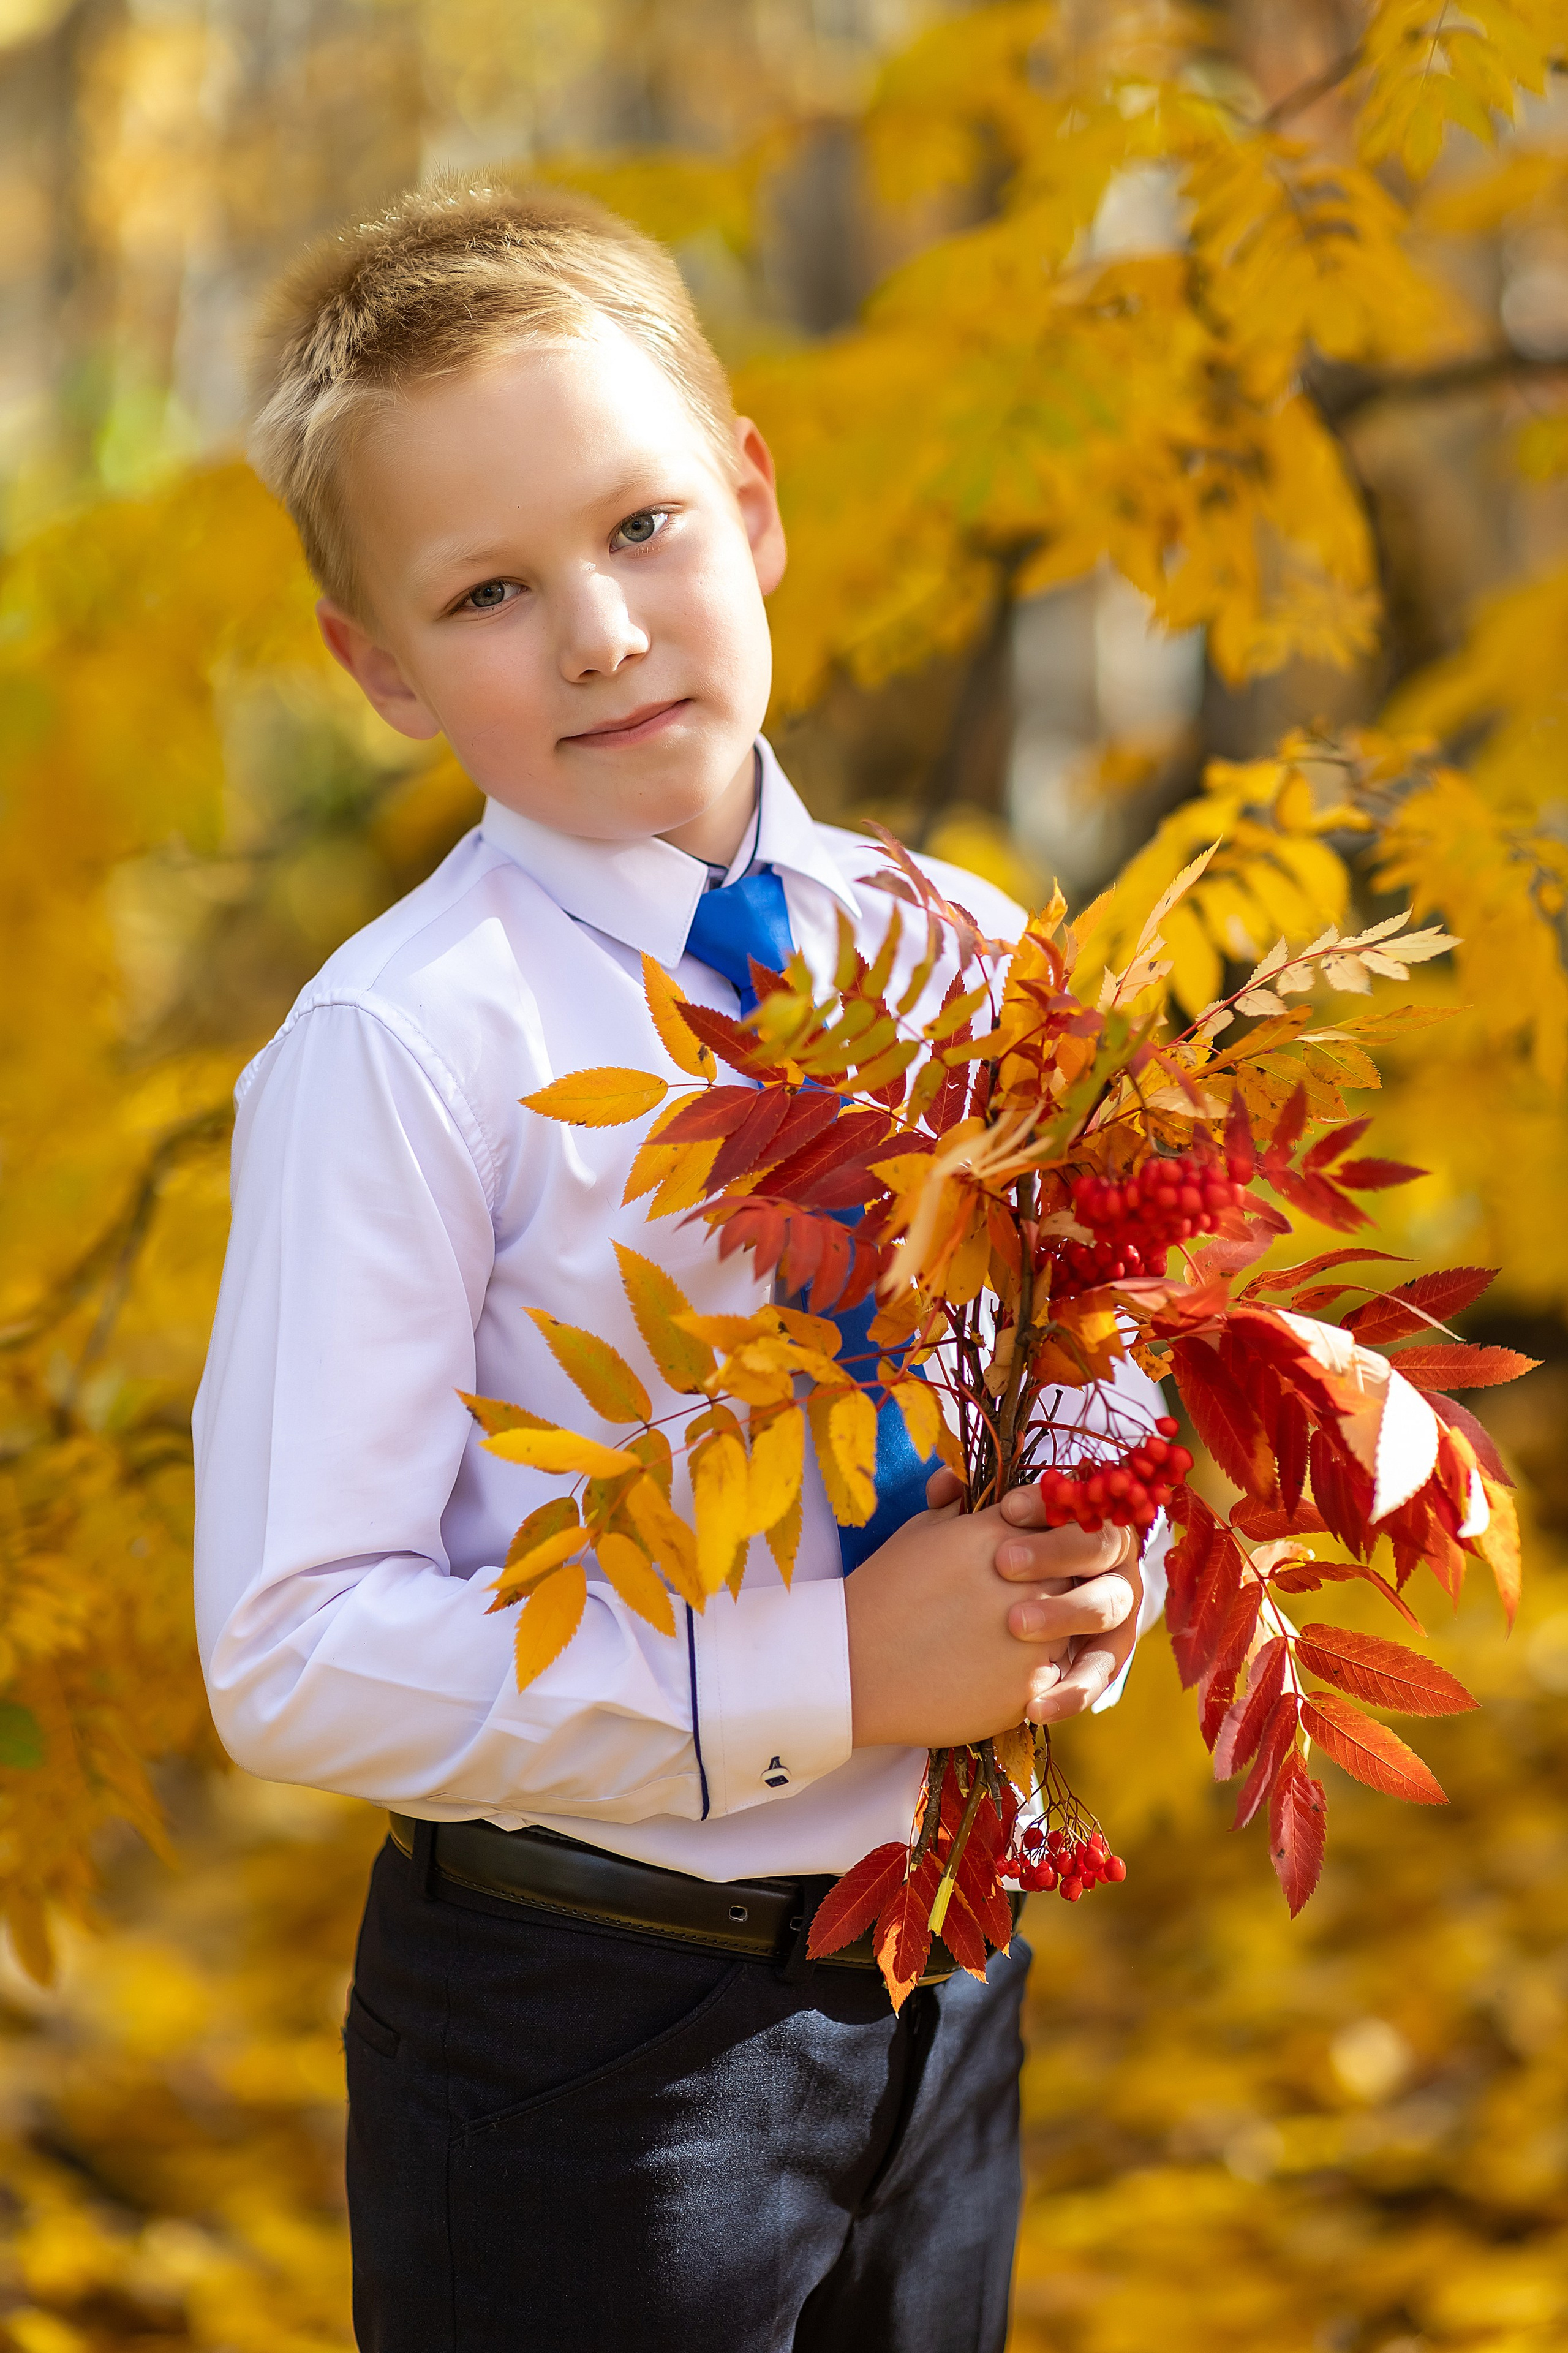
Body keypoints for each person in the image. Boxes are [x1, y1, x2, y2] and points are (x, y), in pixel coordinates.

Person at [192, 179, 1167, 2353]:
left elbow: (1073, 1355)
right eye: (489, 590)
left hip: (938, 1981)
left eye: (641, 529)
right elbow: (290, 1649)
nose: (603, 635)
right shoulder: (406, 1048)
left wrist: (1093, 1551)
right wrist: (827, 1674)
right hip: (584, 2052)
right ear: (374, 665)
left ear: (753, 501)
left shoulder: (970, 951)